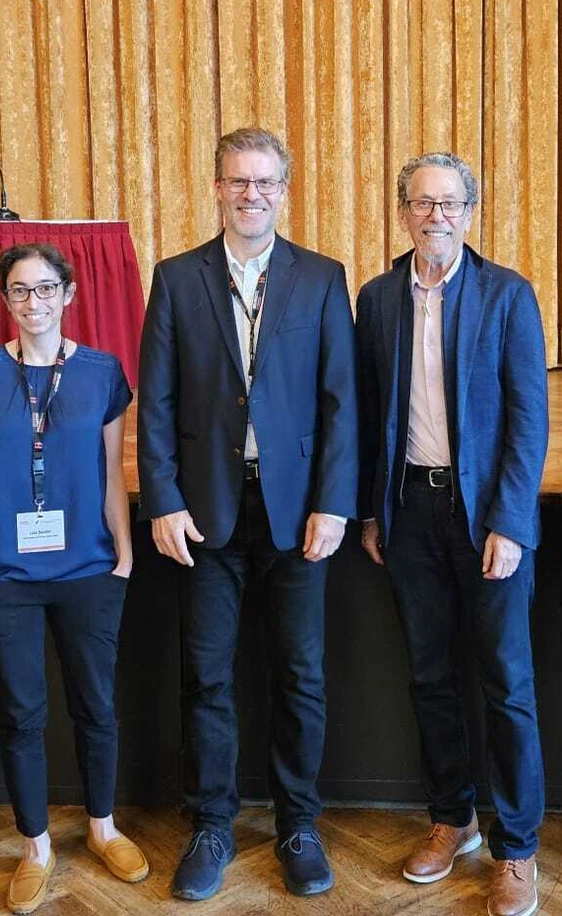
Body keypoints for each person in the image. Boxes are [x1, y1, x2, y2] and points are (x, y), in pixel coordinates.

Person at [136, 127, 357, 901]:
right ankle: (212, 824)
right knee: (207, 677)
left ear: (283, 191)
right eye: (237, 181)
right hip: (205, 512)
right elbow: (156, 401)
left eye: (265, 182)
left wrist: (335, 501)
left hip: (299, 513)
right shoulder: (175, 277)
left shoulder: (323, 278)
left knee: (299, 675)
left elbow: (341, 402)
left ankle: (298, 822)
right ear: (217, 186)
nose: (251, 194)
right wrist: (159, 497)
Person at [356, 151, 549, 916]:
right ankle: (451, 818)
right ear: (401, 212)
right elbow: (372, 415)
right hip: (409, 513)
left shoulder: (506, 294)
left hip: (485, 519)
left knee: (505, 683)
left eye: (448, 203)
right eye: (420, 203)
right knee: (430, 678)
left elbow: (528, 419)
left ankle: (518, 847)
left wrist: (508, 518)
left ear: (469, 212)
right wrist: (373, 509)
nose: (434, 216)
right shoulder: (375, 299)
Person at [0, 243, 147, 913]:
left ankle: (102, 828)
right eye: (18, 291)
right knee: (22, 713)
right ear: (3, 300)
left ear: (68, 294)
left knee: (95, 706)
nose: (33, 302)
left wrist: (122, 555)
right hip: (4, 574)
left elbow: (113, 474)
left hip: (89, 568)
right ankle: (34, 845)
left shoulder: (101, 373)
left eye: (44, 289)